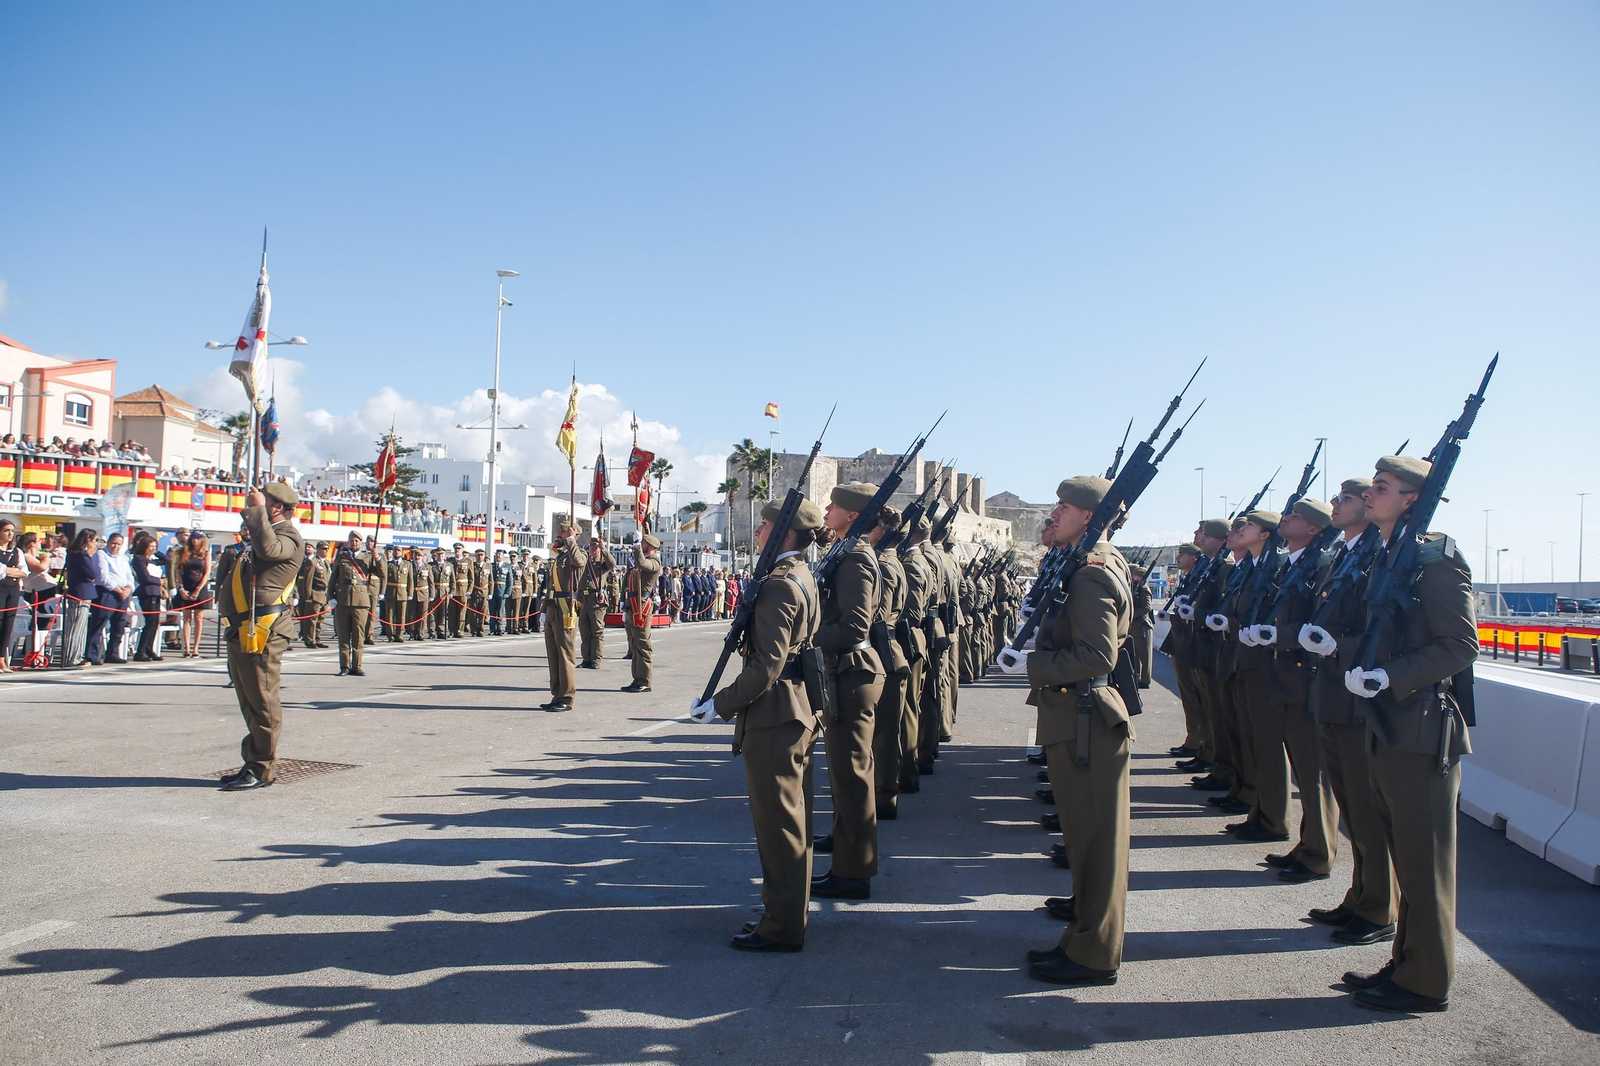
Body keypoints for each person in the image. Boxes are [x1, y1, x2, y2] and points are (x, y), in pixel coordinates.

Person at [1322, 456, 1477, 1014]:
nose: (1370, 494)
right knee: (1405, 858)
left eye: (1383, 488)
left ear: (1411, 499)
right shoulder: (1388, 554)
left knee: (1425, 864)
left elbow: (1460, 645)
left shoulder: (1435, 558)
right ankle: (1406, 964)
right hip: (1385, 721)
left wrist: (1392, 675)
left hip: (1421, 727)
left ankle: (1426, 980)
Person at [688, 498, 826, 952]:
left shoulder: (779, 586)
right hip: (796, 710)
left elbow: (767, 665)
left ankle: (782, 925)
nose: (759, 531)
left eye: (766, 525)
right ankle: (786, 911)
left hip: (773, 717)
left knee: (779, 826)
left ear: (786, 534)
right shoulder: (802, 576)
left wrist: (720, 705)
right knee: (793, 823)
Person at [1014, 475, 1134, 986]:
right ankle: (1084, 938)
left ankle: (1093, 953)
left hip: (1085, 718)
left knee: (1097, 845)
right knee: (1086, 842)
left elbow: (1096, 654)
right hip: (1077, 715)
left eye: (1065, 507)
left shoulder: (1092, 572)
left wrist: (1033, 662)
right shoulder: (1089, 564)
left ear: (1088, 516)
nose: (1055, 513)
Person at [1302, 477, 1399, 947]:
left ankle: (1379, 906)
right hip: (1334, 692)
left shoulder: (1381, 556)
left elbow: (1387, 633)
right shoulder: (1351, 553)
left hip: (1360, 699)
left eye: (1346, 498)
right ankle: (1360, 895)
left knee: (1365, 805)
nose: (1337, 505)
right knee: (1351, 807)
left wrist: (1338, 644)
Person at [809, 482, 886, 901]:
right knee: (843, 773)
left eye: (834, 505)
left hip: (853, 674)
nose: (827, 508)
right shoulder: (845, 549)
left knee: (852, 775)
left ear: (853, 515)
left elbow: (855, 625)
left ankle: (854, 871)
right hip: (844, 672)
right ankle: (845, 846)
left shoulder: (856, 558)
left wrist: (807, 637)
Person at [217, 482, 306, 792]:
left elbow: (268, 550)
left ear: (276, 508)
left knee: (262, 701)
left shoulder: (289, 537)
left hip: (265, 631)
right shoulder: (262, 533)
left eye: (261, 501)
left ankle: (262, 767)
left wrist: (256, 512)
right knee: (248, 699)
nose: (252, 503)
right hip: (244, 628)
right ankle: (253, 760)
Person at [867, 506, 910, 819]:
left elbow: (875, 616)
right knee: (885, 731)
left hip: (882, 651)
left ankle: (882, 796)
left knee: (881, 734)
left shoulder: (883, 565)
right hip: (890, 648)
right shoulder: (892, 562)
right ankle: (883, 793)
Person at [541, 522, 583, 711]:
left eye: (563, 530)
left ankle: (566, 697)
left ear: (573, 533)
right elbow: (551, 586)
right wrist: (544, 610)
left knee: (565, 654)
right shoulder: (561, 556)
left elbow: (579, 562)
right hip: (554, 608)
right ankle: (557, 694)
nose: (558, 533)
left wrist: (571, 540)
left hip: (566, 608)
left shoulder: (577, 554)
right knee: (554, 654)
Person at [622, 534, 664, 693]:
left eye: (644, 543)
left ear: (650, 546)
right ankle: (637, 678)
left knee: (643, 645)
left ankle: (645, 680)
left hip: (642, 606)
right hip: (633, 604)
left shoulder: (654, 562)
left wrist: (637, 546)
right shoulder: (643, 560)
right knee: (634, 644)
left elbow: (642, 562)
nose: (641, 544)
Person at [87, 531, 135, 665]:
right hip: (107, 592)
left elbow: (130, 576)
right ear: (108, 542)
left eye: (118, 544)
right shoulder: (101, 554)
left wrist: (128, 589)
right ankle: (92, 654)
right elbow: (103, 577)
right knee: (99, 624)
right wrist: (118, 589)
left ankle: (113, 653)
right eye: (113, 543)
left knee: (119, 625)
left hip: (123, 593)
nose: (115, 546)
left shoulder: (123, 557)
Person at [332, 532, 371, 677]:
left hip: (360, 602)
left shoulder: (368, 558)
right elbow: (333, 578)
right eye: (351, 540)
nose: (354, 542)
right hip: (343, 600)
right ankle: (344, 666)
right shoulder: (342, 558)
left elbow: (381, 572)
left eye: (356, 540)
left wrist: (377, 557)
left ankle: (357, 666)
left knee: (358, 635)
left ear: (361, 543)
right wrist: (331, 596)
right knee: (343, 635)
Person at [61, 529, 100, 667]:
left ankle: (77, 655)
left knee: (81, 627)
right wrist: (90, 555)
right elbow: (92, 573)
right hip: (80, 593)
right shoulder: (80, 555)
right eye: (94, 540)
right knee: (75, 627)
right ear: (88, 540)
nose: (96, 544)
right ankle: (72, 658)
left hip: (83, 593)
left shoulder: (75, 554)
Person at [129, 532, 168, 662]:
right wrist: (159, 581)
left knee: (155, 623)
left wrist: (156, 552)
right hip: (147, 592)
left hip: (155, 593)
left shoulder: (151, 559)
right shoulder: (139, 559)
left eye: (154, 546)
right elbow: (144, 578)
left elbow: (167, 560)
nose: (152, 548)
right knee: (150, 622)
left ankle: (149, 648)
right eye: (150, 546)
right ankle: (141, 651)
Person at [577, 537, 616, 667]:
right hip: (583, 600)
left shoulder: (602, 563)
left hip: (596, 601)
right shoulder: (585, 561)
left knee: (597, 631)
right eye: (591, 546)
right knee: (585, 631)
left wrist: (604, 549)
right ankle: (586, 658)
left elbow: (612, 563)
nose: (593, 548)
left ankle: (596, 659)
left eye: (595, 546)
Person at [297, 542, 331, 649]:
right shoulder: (313, 562)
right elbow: (308, 581)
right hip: (315, 594)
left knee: (321, 619)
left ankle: (317, 638)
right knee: (312, 619)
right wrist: (307, 597)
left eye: (327, 549)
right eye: (324, 548)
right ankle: (310, 640)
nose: (326, 551)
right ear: (318, 549)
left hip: (324, 595)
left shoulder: (326, 563)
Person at [0, 519, 23, 671]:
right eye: (6, 530)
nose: (10, 534)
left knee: (8, 624)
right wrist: (9, 570)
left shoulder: (16, 551)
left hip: (13, 589)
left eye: (12, 531)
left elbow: (23, 571)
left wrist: (7, 570)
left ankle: (1, 659)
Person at [1129, 566, 1154, 688]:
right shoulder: (1134, 587)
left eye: (1136, 575)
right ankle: (1136, 676)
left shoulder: (1143, 588)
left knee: (1145, 654)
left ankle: (1145, 680)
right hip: (1134, 625)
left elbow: (1147, 607)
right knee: (1135, 653)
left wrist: (1132, 613)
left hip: (1142, 625)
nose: (1134, 577)